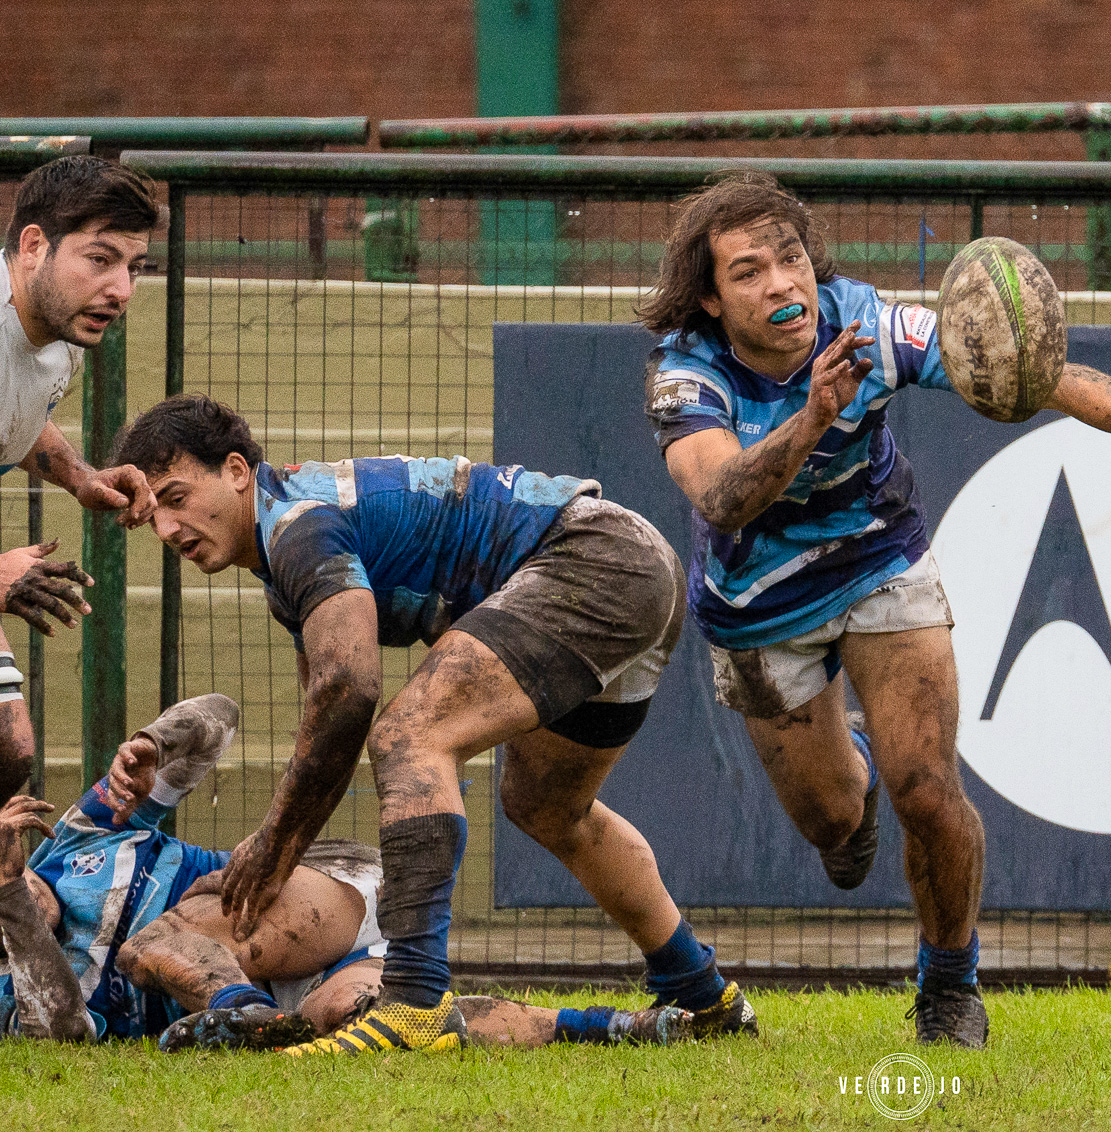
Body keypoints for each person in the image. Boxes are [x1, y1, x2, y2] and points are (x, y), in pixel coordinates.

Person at [640, 172, 1111, 1047]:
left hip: (881, 563)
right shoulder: (685, 372)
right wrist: (815, 413)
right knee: (833, 825)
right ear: (709, 297)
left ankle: (950, 988)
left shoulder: (870, 324)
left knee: (927, 791)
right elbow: (721, 497)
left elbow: (1042, 375)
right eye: (749, 272)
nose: (782, 284)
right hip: (758, 602)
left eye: (790, 259)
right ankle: (850, 766)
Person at [109, 395, 754, 1055]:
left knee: (410, 735)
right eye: (152, 514)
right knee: (547, 805)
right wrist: (276, 852)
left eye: (177, 496)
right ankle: (703, 993)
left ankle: (415, 1002)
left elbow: (350, 693)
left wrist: (273, 846)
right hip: (631, 566)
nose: (166, 527)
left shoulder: (298, 528)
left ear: (239, 470)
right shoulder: (287, 563)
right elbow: (327, 730)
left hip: (596, 561)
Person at [0, 695, 695, 1051]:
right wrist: (12, 904)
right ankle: (621, 1027)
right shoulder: (15, 984)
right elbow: (65, 1033)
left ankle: (246, 1021)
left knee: (151, 942)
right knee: (375, 1023)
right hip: (300, 981)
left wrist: (156, 743)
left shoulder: (77, 837)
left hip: (315, 903)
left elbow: (218, 719)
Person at [0, 155, 162, 798]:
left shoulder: (58, 339)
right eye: (100, 259)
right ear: (35, 245)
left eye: (134, 267)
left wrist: (79, 477)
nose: (121, 289)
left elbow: (17, 416)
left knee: (6, 753)